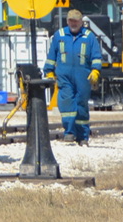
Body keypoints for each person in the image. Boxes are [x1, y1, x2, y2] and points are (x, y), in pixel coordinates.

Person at [43, 9, 103, 145]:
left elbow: (96, 57)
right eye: (71, 20)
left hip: (83, 77)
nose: (73, 23)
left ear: (81, 22)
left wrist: (95, 71)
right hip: (64, 77)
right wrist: (49, 72)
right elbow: (51, 56)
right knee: (66, 103)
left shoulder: (89, 37)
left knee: (81, 104)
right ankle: (69, 132)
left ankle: (82, 136)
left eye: (76, 21)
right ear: (67, 21)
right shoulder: (59, 35)